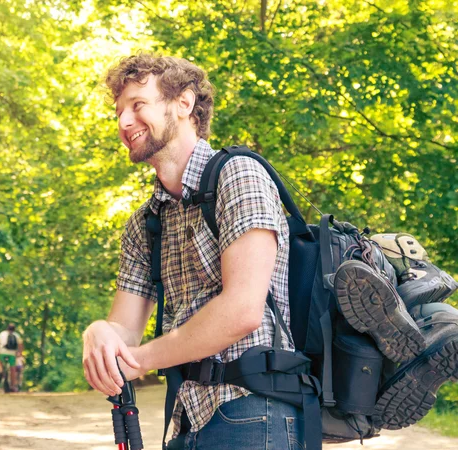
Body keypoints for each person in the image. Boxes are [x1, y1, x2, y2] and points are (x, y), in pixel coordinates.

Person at [82, 54, 301, 449]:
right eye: (119, 112)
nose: (124, 122)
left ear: (183, 103)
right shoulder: (145, 223)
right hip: (187, 421)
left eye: (137, 105)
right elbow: (125, 330)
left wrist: (142, 361)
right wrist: (98, 333)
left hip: (255, 412)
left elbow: (242, 311)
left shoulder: (240, 174)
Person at [0, 323, 24, 392]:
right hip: (12, 353)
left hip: (2, 352)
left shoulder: (2, 334)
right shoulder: (16, 335)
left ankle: (1, 370)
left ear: (7, 328)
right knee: (12, 369)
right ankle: (13, 386)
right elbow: (20, 345)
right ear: (14, 329)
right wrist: (19, 353)